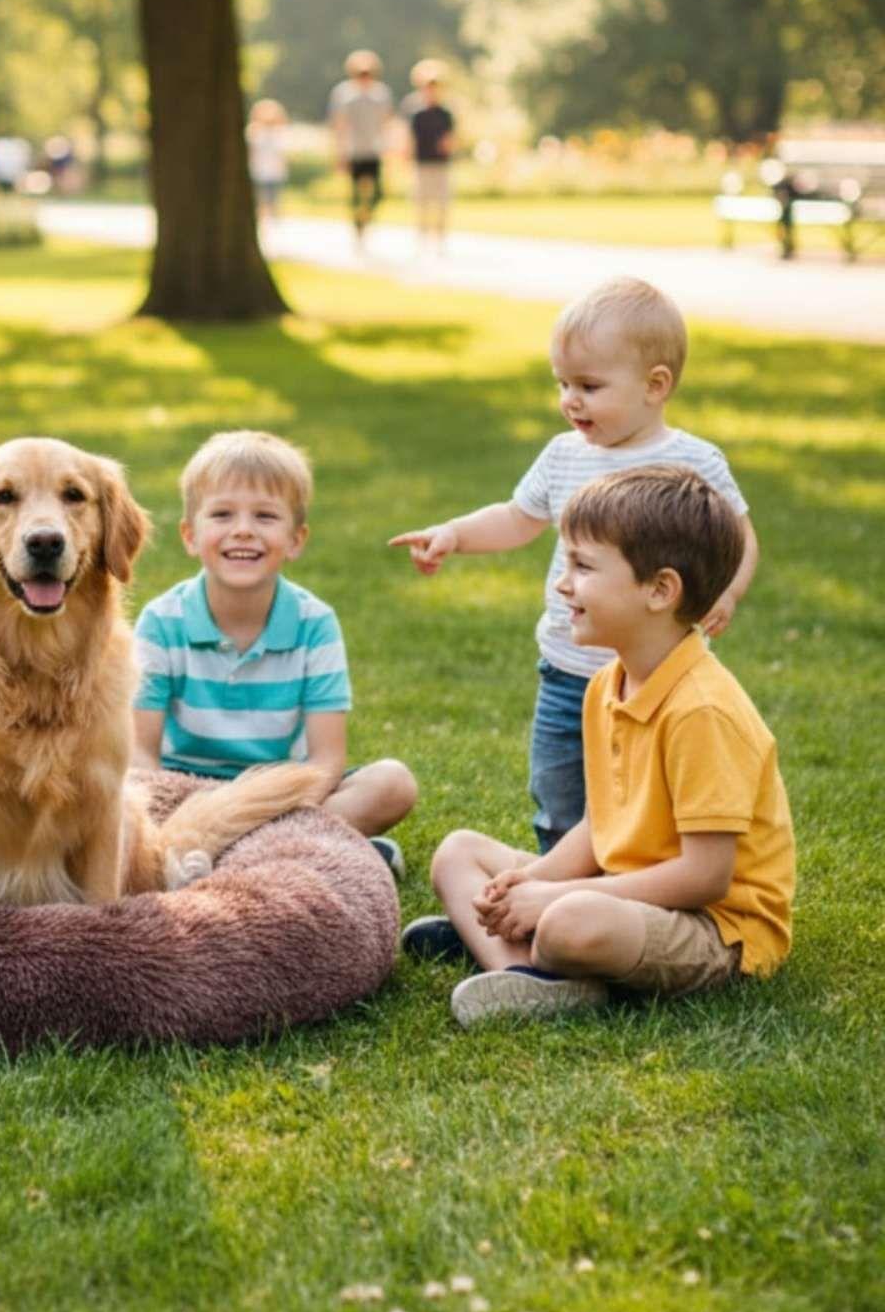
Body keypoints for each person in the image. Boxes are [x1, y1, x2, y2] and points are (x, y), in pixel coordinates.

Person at [407, 466, 794, 1026]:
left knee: (572, 920)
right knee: (458, 853)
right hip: (620, 888)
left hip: (714, 926)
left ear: (660, 590)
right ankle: (521, 970)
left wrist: (555, 901)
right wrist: (533, 882)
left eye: (582, 567)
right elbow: (599, 827)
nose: (563, 584)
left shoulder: (703, 709)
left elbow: (706, 875)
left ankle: (534, 946)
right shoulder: (604, 687)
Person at [389, 277, 758, 853]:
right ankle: (554, 892)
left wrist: (726, 592)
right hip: (567, 670)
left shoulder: (692, 461)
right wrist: (454, 535)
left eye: (589, 385)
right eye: (562, 384)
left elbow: (738, 533)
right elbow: (517, 517)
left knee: (643, 794)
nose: (570, 400)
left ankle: (629, 890)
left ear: (655, 385)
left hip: (658, 678)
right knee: (560, 792)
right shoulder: (564, 456)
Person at [132, 430, 417, 877]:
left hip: (278, 797)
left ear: (297, 538)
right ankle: (309, 851)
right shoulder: (161, 621)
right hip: (182, 795)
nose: (243, 529)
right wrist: (189, 813)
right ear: (190, 535)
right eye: (222, 514)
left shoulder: (315, 623)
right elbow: (139, 756)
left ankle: (230, 855)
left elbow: (326, 761)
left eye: (265, 516)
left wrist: (254, 810)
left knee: (393, 783)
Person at [325, 50, 394, 250]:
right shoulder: (344, 94)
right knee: (355, 194)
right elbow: (339, 125)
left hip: (374, 150)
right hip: (353, 151)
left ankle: (366, 219)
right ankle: (358, 228)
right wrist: (339, 152)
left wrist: (390, 147)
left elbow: (387, 121)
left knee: (378, 193)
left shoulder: (381, 94)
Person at [400, 61, 456, 255]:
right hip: (422, 163)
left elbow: (451, 139)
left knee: (441, 204)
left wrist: (448, 145)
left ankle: (440, 242)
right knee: (422, 204)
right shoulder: (417, 114)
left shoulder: (446, 114)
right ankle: (421, 241)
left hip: (440, 164)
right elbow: (409, 140)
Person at [245, 98, 291, 222]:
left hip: (275, 172)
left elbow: (284, 153)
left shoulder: (280, 132)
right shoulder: (254, 131)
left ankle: (272, 222)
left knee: (274, 201)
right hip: (258, 172)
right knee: (260, 201)